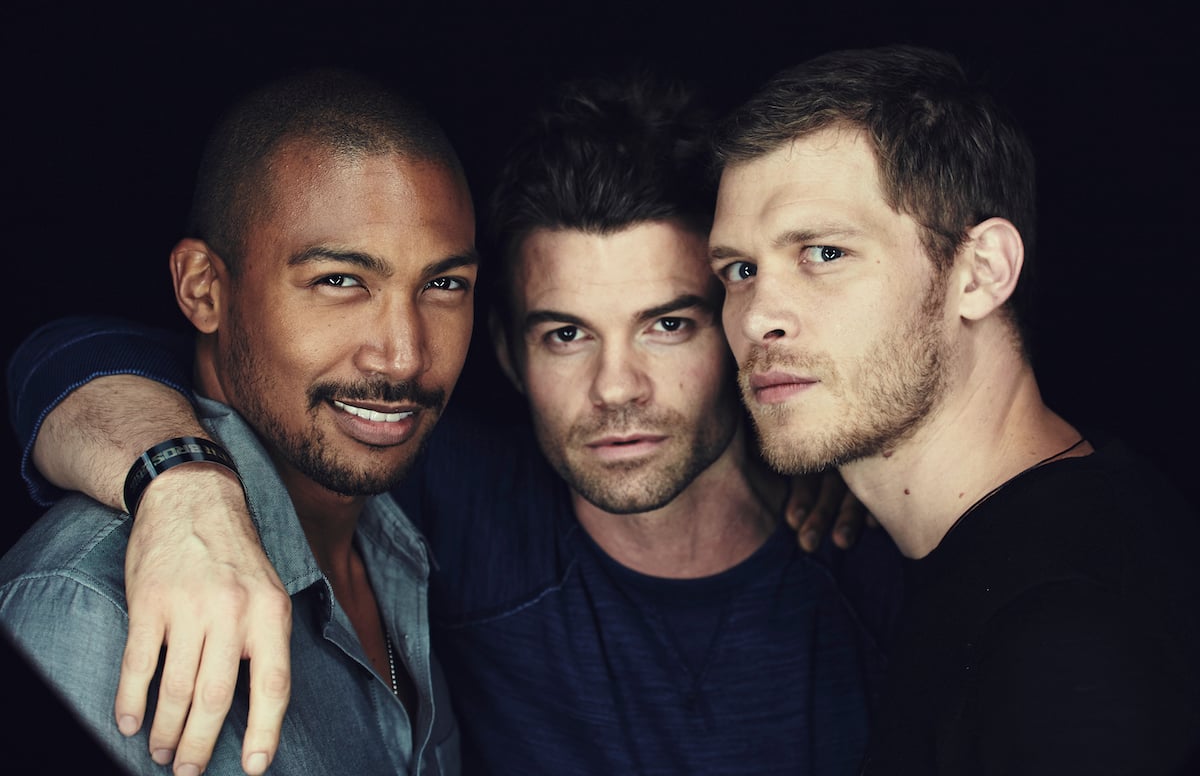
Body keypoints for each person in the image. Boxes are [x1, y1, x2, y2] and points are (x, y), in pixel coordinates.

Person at [6, 74, 903, 774]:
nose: (617, 388)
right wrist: (178, 480)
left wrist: (817, 443)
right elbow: (100, 352)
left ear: (740, 329)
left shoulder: (872, 549)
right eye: (565, 334)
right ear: (510, 358)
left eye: (669, 324)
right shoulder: (457, 499)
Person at [707, 44, 1200, 773]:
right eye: (740, 270)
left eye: (824, 253)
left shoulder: (1066, 641)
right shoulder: (1038, 519)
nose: (755, 319)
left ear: (980, 274)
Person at [0, 68, 475, 775]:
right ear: (203, 290)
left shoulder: (413, 532)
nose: (404, 357)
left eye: (443, 285)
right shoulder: (89, 605)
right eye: (340, 281)